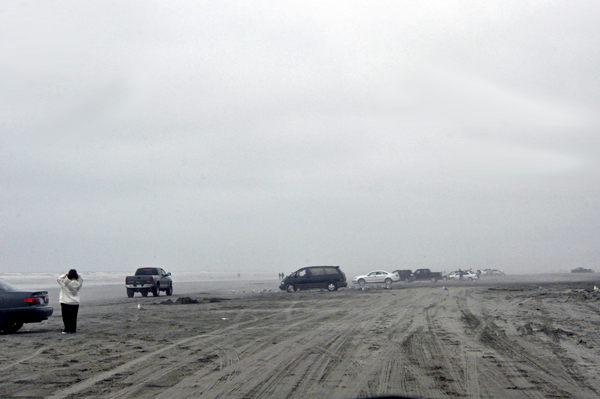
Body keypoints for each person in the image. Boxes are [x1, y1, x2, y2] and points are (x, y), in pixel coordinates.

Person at [57, 269, 83, 334]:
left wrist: (65, 274)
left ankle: (67, 329)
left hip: (66, 302)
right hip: (75, 302)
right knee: (73, 317)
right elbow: (81, 279)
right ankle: (73, 329)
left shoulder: (66, 282)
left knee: (66, 317)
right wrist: (77, 274)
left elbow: (59, 279)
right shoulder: (78, 283)